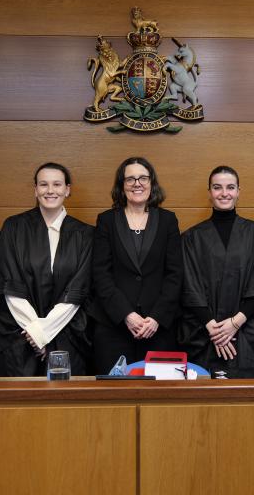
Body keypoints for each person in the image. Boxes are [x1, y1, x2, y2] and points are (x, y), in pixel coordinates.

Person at [0, 162, 94, 377]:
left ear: (67, 189)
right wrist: (34, 333)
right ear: (35, 189)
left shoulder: (85, 234)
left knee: (66, 406)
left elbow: (78, 290)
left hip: (67, 335)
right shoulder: (14, 228)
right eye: (43, 184)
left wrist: (43, 333)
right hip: (19, 334)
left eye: (57, 184)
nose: (50, 190)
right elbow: (8, 283)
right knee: (19, 407)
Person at [179, 166, 254, 370]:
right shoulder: (191, 238)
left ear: (238, 191)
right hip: (205, 334)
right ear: (209, 193)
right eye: (217, 187)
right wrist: (214, 329)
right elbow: (189, 286)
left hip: (247, 332)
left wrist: (234, 323)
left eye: (230, 187)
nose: (224, 193)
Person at [90, 156, 182, 372]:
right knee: (114, 398)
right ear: (122, 186)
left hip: (158, 328)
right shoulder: (106, 221)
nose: (137, 183)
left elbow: (175, 274)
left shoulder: (168, 220)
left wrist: (156, 317)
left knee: (158, 399)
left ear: (152, 183)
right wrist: (127, 315)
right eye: (130, 179)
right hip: (114, 327)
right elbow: (101, 274)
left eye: (143, 178)